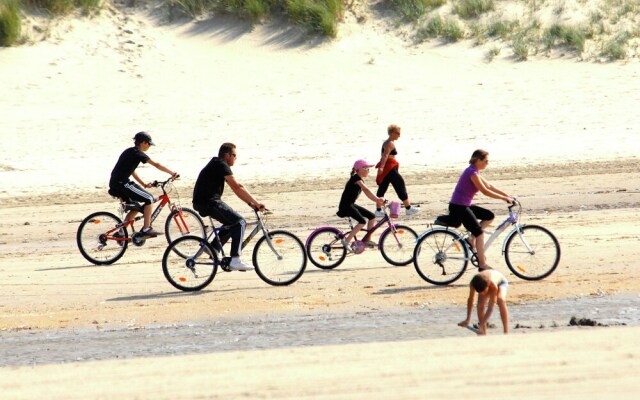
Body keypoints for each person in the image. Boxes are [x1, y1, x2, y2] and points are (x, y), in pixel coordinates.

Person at [192, 142, 265, 271]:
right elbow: (237, 187)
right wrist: (257, 203)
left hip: (204, 202)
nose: (235, 158)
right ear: (227, 155)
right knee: (240, 222)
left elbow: (236, 189)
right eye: (234, 155)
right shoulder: (221, 164)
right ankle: (235, 260)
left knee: (231, 223)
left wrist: (250, 203)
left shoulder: (217, 163)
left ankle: (213, 248)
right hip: (209, 202)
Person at [448, 149, 513, 270]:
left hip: (463, 205)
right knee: (480, 234)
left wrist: (507, 195)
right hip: (459, 207)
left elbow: (489, 186)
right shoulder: (472, 173)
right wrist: (503, 198)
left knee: (489, 216)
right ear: (478, 160)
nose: (487, 163)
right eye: (486, 161)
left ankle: (471, 238)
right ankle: (482, 265)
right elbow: (485, 191)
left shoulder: (474, 171)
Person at [109, 132, 178, 237]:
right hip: (122, 183)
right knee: (149, 199)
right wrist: (172, 173)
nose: (149, 146)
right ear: (143, 143)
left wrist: (144, 184)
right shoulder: (137, 153)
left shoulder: (129, 151)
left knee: (135, 207)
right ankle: (146, 229)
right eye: (149, 144)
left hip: (117, 182)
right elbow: (156, 165)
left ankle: (121, 232)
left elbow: (131, 170)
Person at [337, 159, 385, 251]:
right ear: (359, 169)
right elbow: (366, 190)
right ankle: (346, 241)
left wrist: (376, 200)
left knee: (372, 216)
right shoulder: (356, 178)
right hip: (346, 206)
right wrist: (377, 199)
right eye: (366, 168)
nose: (368, 170)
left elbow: (367, 194)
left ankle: (367, 240)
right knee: (362, 221)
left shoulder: (359, 179)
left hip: (351, 204)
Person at [375, 124, 420, 217]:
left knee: (382, 188)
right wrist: (382, 167)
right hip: (389, 168)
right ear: (392, 133)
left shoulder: (388, 142)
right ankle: (408, 209)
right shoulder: (389, 143)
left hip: (388, 167)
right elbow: (385, 155)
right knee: (400, 184)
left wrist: (382, 168)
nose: (399, 135)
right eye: (398, 133)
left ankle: (378, 211)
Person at [458, 269, 510, 335]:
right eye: (480, 293)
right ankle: (483, 333)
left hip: (501, 282)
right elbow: (470, 300)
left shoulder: (492, 284)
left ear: (487, 285)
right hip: (484, 284)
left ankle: (506, 333)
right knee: (480, 305)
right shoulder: (473, 283)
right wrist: (468, 319)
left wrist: (481, 324)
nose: (482, 294)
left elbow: (490, 308)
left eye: (484, 291)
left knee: (500, 300)